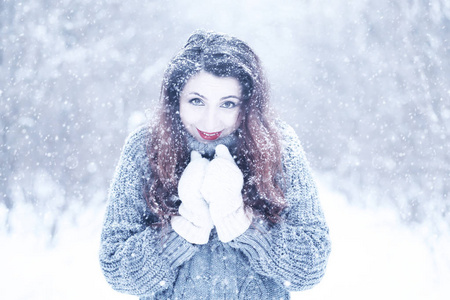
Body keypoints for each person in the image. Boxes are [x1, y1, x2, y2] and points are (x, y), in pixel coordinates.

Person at [99, 30, 331, 299]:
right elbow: (117, 268)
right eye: (196, 101)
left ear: (248, 105)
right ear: (176, 99)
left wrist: (242, 223)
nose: (210, 122)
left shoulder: (276, 145)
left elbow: (311, 266)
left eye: (228, 104)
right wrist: (184, 229)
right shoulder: (145, 148)